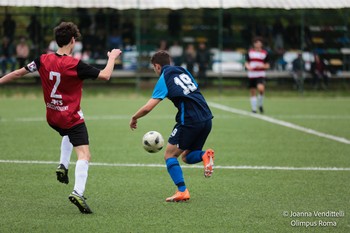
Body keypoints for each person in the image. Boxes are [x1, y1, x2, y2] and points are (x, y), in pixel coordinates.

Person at [0, 22, 122, 214]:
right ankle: (78, 192)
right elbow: (106, 75)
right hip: (70, 118)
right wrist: (112, 57)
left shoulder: (42, 59)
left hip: (52, 116)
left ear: (56, 40)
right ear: (73, 41)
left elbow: (18, 73)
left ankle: (63, 165)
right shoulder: (75, 65)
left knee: (67, 131)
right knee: (84, 154)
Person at [129, 50, 214, 202]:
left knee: (169, 155)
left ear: (157, 66)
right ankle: (203, 155)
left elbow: (149, 107)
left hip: (189, 120)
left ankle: (182, 191)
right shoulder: (184, 71)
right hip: (207, 118)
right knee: (187, 156)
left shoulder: (164, 78)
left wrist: (135, 117)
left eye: (154, 68)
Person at [245, 37, 270, 113]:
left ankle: (260, 104)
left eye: (259, 43)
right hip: (252, 74)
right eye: (256, 42)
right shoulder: (250, 52)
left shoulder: (265, 53)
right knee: (253, 91)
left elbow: (267, 65)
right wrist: (248, 66)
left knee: (261, 89)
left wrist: (262, 66)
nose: (258, 44)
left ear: (261, 44)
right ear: (254, 44)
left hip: (260, 74)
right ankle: (254, 109)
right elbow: (246, 62)